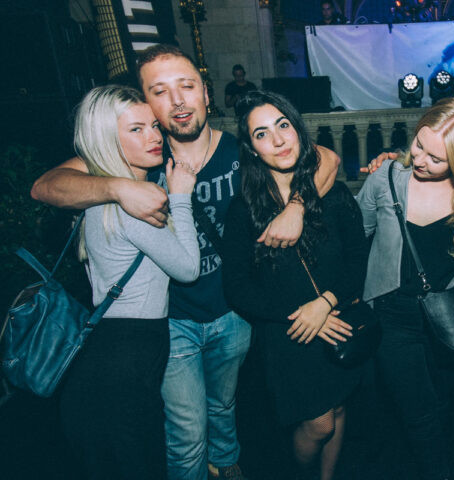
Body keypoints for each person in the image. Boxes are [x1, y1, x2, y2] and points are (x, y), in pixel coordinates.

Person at [31, 44, 340, 480]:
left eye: (187, 86)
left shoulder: (241, 150)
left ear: (206, 93)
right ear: (145, 102)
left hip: (234, 313)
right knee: (187, 430)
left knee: (224, 406)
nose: (177, 100)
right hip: (170, 322)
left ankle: (226, 465)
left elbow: (327, 158)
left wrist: (297, 207)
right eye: (160, 91)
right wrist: (118, 188)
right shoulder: (138, 156)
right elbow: (46, 186)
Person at [356, 95, 454, 480]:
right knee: (419, 414)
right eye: (419, 144)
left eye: (436, 158)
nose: (419, 159)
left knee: (446, 406)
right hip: (394, 317)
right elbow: (357, 233)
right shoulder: (388, 177)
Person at [222, 91, 366, 480]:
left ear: (298, 130)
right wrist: (301, 315)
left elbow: (358, 260)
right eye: (262, 134)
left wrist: (326, 303)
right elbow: (236, 287)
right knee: (319, 424)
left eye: (283, 125)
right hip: (289, 336)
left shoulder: (333, 194)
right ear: (252, 149)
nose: (278, 140)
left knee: (338, 410)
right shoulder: (243, 210)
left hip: (337, 321)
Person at [59, 84, 200, 480]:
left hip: (112, 345)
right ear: (108, 139)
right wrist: (181, 197)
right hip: (128, 352)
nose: (154, 136)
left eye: (153, 125)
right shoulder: (130, 205)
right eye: (136, 129)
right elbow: (188, 269)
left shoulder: (109, 197)